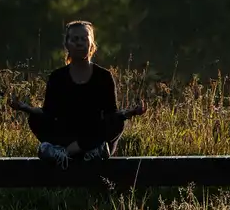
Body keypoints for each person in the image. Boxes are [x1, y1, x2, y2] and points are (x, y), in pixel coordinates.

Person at [9, 20, 146, 168]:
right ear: (67, 44)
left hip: (93, 135)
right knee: (35, 118)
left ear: (91, 44)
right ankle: (73, 151)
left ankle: (71, 152)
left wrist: (129, 112)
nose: (79, 43)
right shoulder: (57, 77)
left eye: (83, 39)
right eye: (74, 39)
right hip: (65, 133)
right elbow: (48, 113)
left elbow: (110, 114)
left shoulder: (104, 76)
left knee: (117, 121)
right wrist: (25, 108)